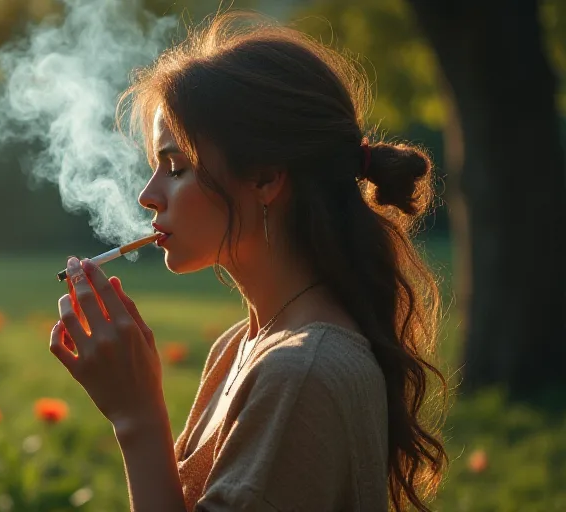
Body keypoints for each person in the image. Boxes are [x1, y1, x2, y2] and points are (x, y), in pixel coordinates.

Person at [49, 10, 448, 512]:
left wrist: (138, 418)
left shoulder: (302, 373)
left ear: (264, 178)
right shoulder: (239, 347)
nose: (147, 196)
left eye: (175, 167)